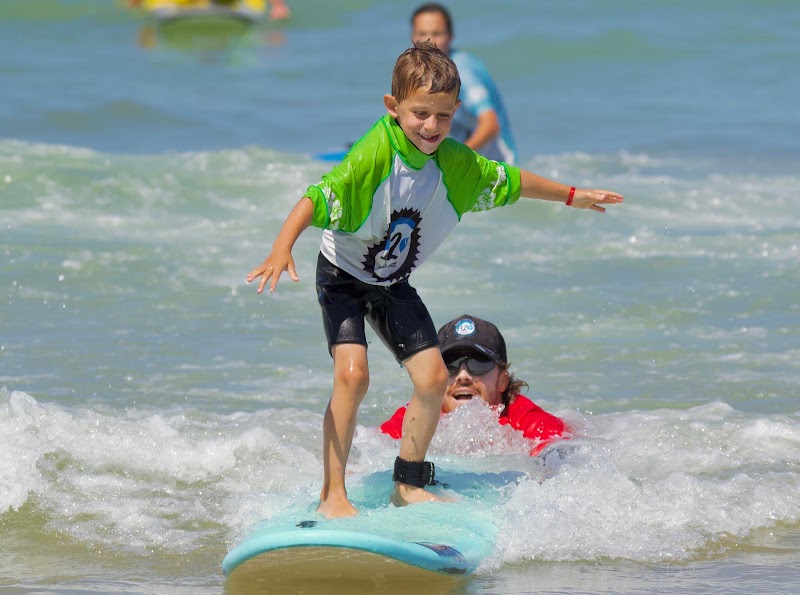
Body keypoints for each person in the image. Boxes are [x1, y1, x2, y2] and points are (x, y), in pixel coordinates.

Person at [246, 40, 622, 519]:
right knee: (353, 377)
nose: (431, 126)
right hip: (341, 276)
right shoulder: (374, 155)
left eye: (443, 116)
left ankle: (408, 483)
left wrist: (572, 195)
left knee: (434, 378)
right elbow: (315, 199)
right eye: (420, 113)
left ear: (456, 111)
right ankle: (333, 495)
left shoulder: (454, 164)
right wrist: (282, 248)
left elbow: (511, 181)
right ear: (393, 107)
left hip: (392, 282)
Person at [381, 315, 570, 455]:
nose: (463, 376)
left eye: (478, 364)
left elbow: (560, 451)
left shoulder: (522, 418)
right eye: (450, 365)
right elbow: (373, 448)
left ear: (502, 380)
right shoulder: (419, 414)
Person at [411, 3, 517, 164]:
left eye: (437, 33)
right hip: (465, 163)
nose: (429, 40)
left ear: (450, 36)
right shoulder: (420, 71)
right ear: (412, 36)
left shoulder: (462, 70)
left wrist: (456, 157)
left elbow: (490, 124)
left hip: (497, 165)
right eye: (422, 33)